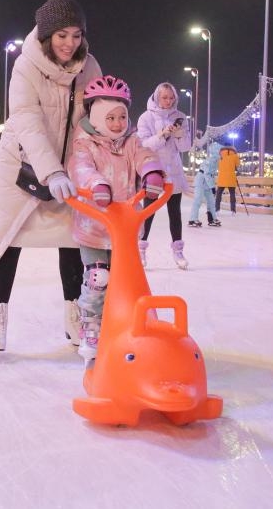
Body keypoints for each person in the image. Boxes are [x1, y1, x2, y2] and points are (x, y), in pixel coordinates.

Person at [0, 0, 102, 352]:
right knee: (7, 241)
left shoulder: (89, 66)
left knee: (73, 241)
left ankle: (73, 315)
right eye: (62, 35)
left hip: (70, 169)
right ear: (47, 35)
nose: (69, 43)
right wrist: (51, 172)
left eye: (76, 35)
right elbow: (27, 122)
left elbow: (94, 118)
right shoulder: (25, 66)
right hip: (21, 167)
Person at [66, 75, 165, 367]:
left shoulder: (132, 141)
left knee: (128, 280)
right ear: (96, 118)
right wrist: (97, 184)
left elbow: (145, 154)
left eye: (122, 116)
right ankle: (92, 328)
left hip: (126, 228)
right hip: (94, 227)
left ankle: (130, 325)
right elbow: (79, 168)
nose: (118, 123)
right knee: (100, 279)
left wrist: (152, 172)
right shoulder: (85, 144)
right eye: (110, 117)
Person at [136, 82, 192, 268]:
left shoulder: (181, 117)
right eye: (164, 97)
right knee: (148, 211)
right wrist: (162, 134)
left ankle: (178, 251)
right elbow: (144, 145)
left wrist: (179, 135)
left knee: (174, 213)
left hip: (174, 171)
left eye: (171, 98)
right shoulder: (146, 117)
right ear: (157, 97)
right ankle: (141, 249)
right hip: (153, 170)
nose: (168, 101)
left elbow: (185, 148)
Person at [188, 142, 221, 227]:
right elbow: (206, 174)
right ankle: (192, 219)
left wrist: (212, 186)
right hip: (201, 182)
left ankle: (212, 219)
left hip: (208, 183)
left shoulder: (216, 161)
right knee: (197, 200)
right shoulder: (209, 161)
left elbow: (211, 175)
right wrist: (212, 186)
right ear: (216, 151)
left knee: (211, 201)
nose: (221, 153)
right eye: (220, 151)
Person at [215, 144, 241, 215]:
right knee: (232, 194)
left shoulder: (220, 156)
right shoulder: (235, 156)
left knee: (219, 194)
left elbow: (218, 165)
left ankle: (217, 209)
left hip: (222, 177)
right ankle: (233, 210)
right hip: (231, 177)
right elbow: (238, 165)